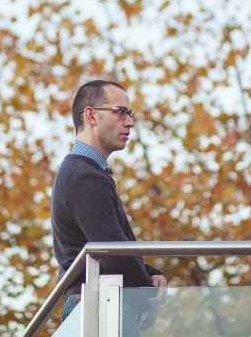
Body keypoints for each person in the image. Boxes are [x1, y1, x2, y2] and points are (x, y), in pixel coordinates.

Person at [51, 80, 167, 335]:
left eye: (130, 113)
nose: (129, 122)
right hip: (99, 306)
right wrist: (148, 293)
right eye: (120, 112)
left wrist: (149, 274)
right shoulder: (83, 176)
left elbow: (109, 247)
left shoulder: (85, 172)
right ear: (91, 115)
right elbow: (113, 252)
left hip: (101, 303)